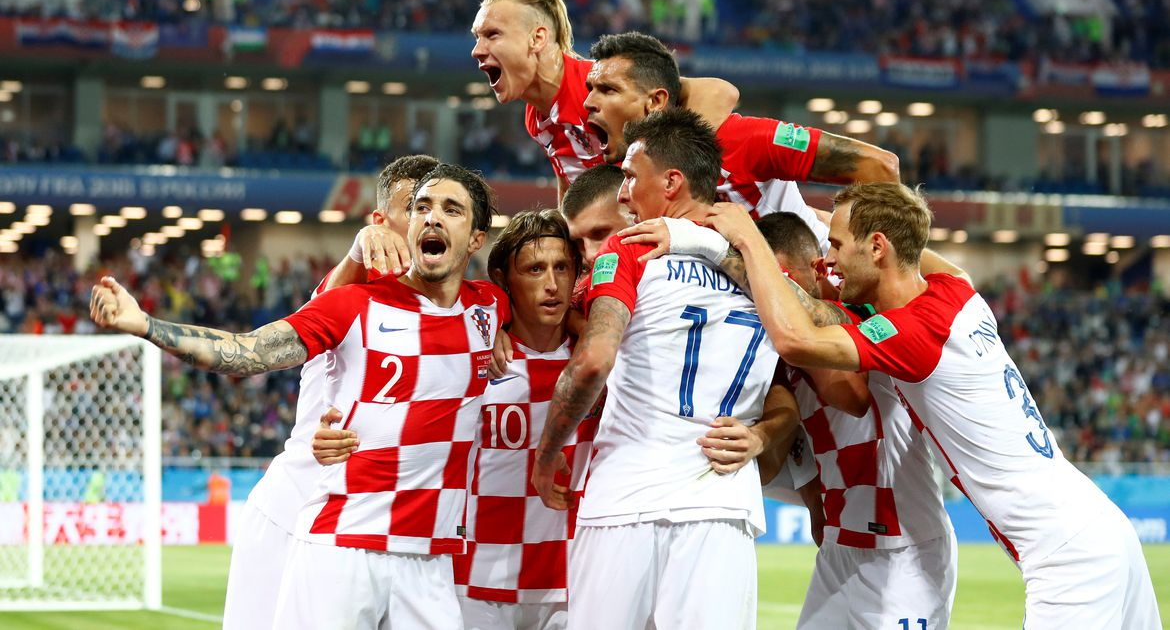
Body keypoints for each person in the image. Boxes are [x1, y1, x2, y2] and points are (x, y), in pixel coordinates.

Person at [703, 182, 1162, 629]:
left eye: (838, 244)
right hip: (1100, 524)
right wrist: (838, 221)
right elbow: (922, 254)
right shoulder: (957, 293)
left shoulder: (914, 336)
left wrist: (746, 239)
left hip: (1067, 555)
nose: (830, 257)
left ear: (878, 247)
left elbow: (796, 339)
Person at [91, 163, 510, 630]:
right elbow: (248, 352)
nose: (431, 218)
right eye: (420, 208)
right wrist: (146, 324)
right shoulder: (351, 302)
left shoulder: (490, 306)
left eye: (450, 209)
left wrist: (507, 333)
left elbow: (553, 311)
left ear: (476, 238)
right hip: (339, 538)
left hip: (429, 558)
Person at [533, 108, 802, 629]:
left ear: (672, 181)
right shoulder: (769, 273)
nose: (624, 193)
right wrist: (763, 436)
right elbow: (791, 376)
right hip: (721, 508)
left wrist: (548, 456)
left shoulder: (633, 250)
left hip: (624, 499)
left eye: (631, 178)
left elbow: (592, 361)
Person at [315, 209, 596, 630]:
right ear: (504, 279)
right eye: (535, 269)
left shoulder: (600, 363)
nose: (552, 284)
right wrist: (329, 438)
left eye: (562, 268)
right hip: (473, 585)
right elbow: (402, 421)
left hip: (572, 583)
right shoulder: (472, 359)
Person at [754, 211, 957, 630]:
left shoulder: (858, 311)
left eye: (776, 279)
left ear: (813, 272)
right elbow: (800, 440)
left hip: (903, 547)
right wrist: (814, 502)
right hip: (841, 544)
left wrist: (787, 331)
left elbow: (851, 397)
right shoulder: (778, 344)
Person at [582, 31, 900, 251]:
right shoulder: (628, 175)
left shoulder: (742, 140)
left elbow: (879, 166)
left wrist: (856, 253)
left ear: (655, 102)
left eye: (608, 90)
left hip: (814, 305)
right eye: (590, 89)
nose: (588, 103)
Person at [470, 0, 739, 201]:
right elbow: (570, 180)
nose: (477, 50)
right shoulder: (535, 118)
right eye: (477, 37)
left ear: (537, 38)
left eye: (492, 35)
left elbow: (720, 92)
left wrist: (670, 172)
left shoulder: (596, 80)